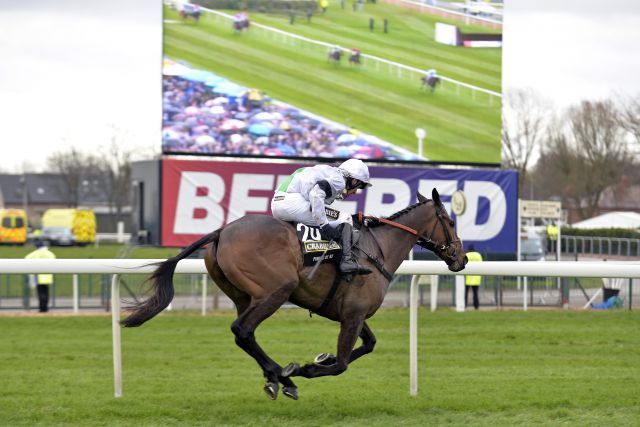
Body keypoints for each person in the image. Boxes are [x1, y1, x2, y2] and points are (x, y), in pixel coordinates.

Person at [271, 159, 372, 275]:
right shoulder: (339, 180)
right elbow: (316, 194)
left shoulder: (328, 172)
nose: (355, 192)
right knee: (346, 218)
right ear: (354, 181)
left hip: (278, 204)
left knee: (323, 214)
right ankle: (347, 261)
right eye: (358, 187)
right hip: (292, 204)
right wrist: (324, 226)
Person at [25, 239, 56, 312]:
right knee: (46, 293)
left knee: (41, 293)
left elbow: (27, 258)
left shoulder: (36, 253)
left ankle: (42, 309)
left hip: (39, 276)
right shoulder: (50, 253)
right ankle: (45, 307)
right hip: (48, 276)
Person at [464, 244, 482, 310]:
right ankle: (476, 306)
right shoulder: (478, 255)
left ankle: (464, 305)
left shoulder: (467, 255)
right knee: (475, 294)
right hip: (476, 278)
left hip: (467, 278)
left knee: (465, 293)